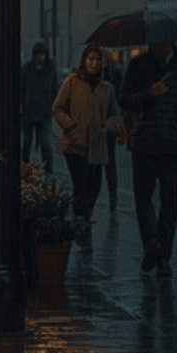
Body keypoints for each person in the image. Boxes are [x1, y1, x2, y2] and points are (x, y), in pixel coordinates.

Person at [120, 34, 177, 277]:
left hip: (172, 145)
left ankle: (163, 255)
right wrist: (148, 94)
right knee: (143, 198)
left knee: (169, 200)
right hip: (145, 142)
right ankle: (152, 244)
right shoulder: (138, 65)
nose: (158, 45)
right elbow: (124, 99)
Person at [52, 43, 121, 245]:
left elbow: (116, 114)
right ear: (84, 61)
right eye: (90, 59)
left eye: (98, 60)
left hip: (97, 145)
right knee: (81, 187)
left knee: (94, 187)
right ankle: (83, 230)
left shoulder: (107, 88)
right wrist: (70, 125)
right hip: (75, 144)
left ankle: (82, 220)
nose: (94, 63)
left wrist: (107, 125)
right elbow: (57, 108)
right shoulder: (72, 81)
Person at [21, 41, 57, 172]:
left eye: (43, 54)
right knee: (26, 142)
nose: (41, 57)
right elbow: (22, 90)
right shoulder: (26, 69)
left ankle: (48, 169)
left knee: (45, 144)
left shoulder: (50, 69)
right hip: (29, 112)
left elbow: (55, 89)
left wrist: (54, 106)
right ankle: (23, 167)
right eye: (38, 54)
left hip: (44, 112)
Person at [102, 49, 124, 209]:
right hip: (97, 124)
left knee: (109, 161)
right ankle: (112, 193)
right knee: (107, 162)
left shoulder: (113, 75)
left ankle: (113, 193)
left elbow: (119, 100)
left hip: (107, 124)